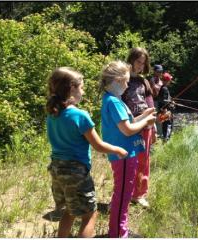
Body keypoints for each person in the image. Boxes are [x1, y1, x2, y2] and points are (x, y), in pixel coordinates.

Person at [46, 67, 128, 238]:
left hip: (56, 170)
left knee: (69, 210)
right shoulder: (80, 116)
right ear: (71, 88)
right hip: (76, 172)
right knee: (90, 214)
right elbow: (98, 146)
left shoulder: (52, 115)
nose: (83, 91)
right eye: (81, 87)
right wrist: (118, 149)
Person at [100, 60, 156, 238]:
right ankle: (117, 233)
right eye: (125, 81)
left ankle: (120, 229)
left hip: (124, 154)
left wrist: (144, 115)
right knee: (123, 195)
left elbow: (129, 122)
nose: (127, 84)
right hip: (123, 156)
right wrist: (146, 123)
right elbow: (128, 130)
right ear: (116, 80)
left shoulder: (114, 100)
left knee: (124, 193)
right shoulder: (115, 102)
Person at [122, 47, 154, 208]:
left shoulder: (144, 81)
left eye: (143, 63)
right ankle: (126, 192)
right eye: (138, 62)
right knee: (129, 160)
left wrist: (153, 125)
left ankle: (139, 194)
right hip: (129, 126)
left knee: (144, 161)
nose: (140, 65)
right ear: (131, 60)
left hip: (146, 126)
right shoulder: (123, 79)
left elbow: (150, 104)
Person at [157, 72, 175, 141]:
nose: (170, 81)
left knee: (166, 127)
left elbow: (164, 99)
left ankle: (166, 139)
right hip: (165, 112)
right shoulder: (164, 89)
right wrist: (170, 102)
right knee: (168, 126)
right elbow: (163, 101)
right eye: (169, 80)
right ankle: (166, 141)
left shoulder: (164, 88)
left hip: (164, 112)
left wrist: (171, 100)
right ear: (166, 81)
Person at [149, 64, 164, 138]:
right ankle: (155, 137)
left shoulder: (161, 81)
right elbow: (154, 92)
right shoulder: (152, 80)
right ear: (154, 71)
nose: (160, 73)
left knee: (161, 119)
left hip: (160, 103)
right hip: (154, 102)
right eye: (158, 71)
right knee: (155, 120)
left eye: (161, 71)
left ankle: (160, 136)